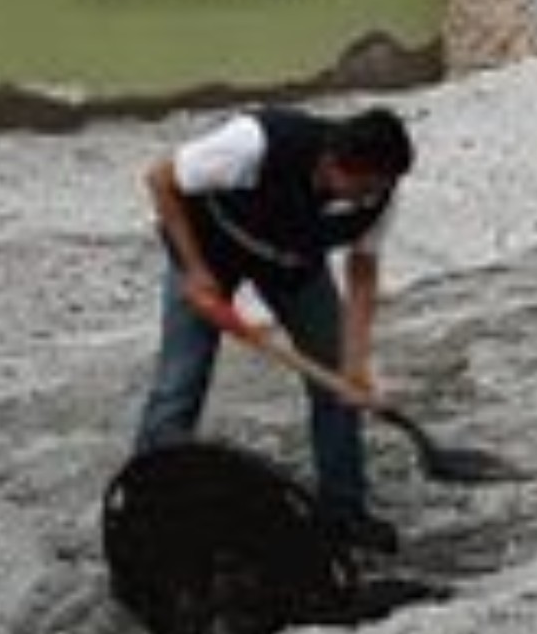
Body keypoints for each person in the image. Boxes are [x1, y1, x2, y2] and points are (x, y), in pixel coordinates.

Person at [133, 104, 415, 554]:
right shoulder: (255, 144)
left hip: (292, 267)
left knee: (337, 384)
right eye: (361, 188)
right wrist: (195, 273)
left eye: (377, 189)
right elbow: (161, 179)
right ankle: (148, 510)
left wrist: (357, 362)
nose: (368, 199)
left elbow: (362, 270)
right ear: (332, 164)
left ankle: (345, 512)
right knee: (180, 384)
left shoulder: (380, 190)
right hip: (210, 250)